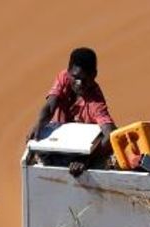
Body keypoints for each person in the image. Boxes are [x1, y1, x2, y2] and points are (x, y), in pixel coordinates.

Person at [27, 48, 116, 176]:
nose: (79, 83)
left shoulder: (95, 101)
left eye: (84, 79)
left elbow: (110, 133)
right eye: (75, 77)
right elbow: (50, 106)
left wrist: (86, 159)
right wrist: (38, 124)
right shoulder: (64, 78)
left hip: (81, 151)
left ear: (94, 75)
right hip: (58, 143)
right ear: (69, 72)